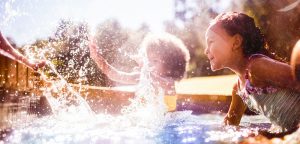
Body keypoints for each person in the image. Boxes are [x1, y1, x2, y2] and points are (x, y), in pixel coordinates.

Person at [204, 12, 300, 132]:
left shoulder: (258, 67)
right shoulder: (238, 88)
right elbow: (230, 124)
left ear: (236, 42)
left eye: (211, 42)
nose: (205, 51)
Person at [89, 32, 190, 96]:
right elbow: (115, 74)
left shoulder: (170, 84)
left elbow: (155, 80)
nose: (149, 64)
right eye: (148, 59)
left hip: (170, 126)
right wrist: (98, 58)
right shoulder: (142, 77)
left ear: (170, 66)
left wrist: (144, 68)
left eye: (155, 61)